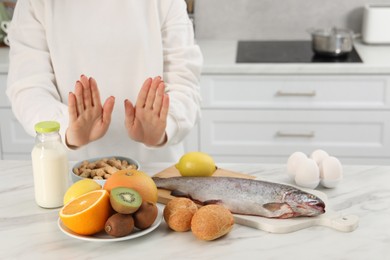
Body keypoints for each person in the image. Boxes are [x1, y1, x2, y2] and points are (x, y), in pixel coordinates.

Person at [6, 0, 203, 164]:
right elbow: (28, 87)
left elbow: (184, 81)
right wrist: (66, 128)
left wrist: (164, 127)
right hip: (70, 174)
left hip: (155, 173)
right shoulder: (36, 3)